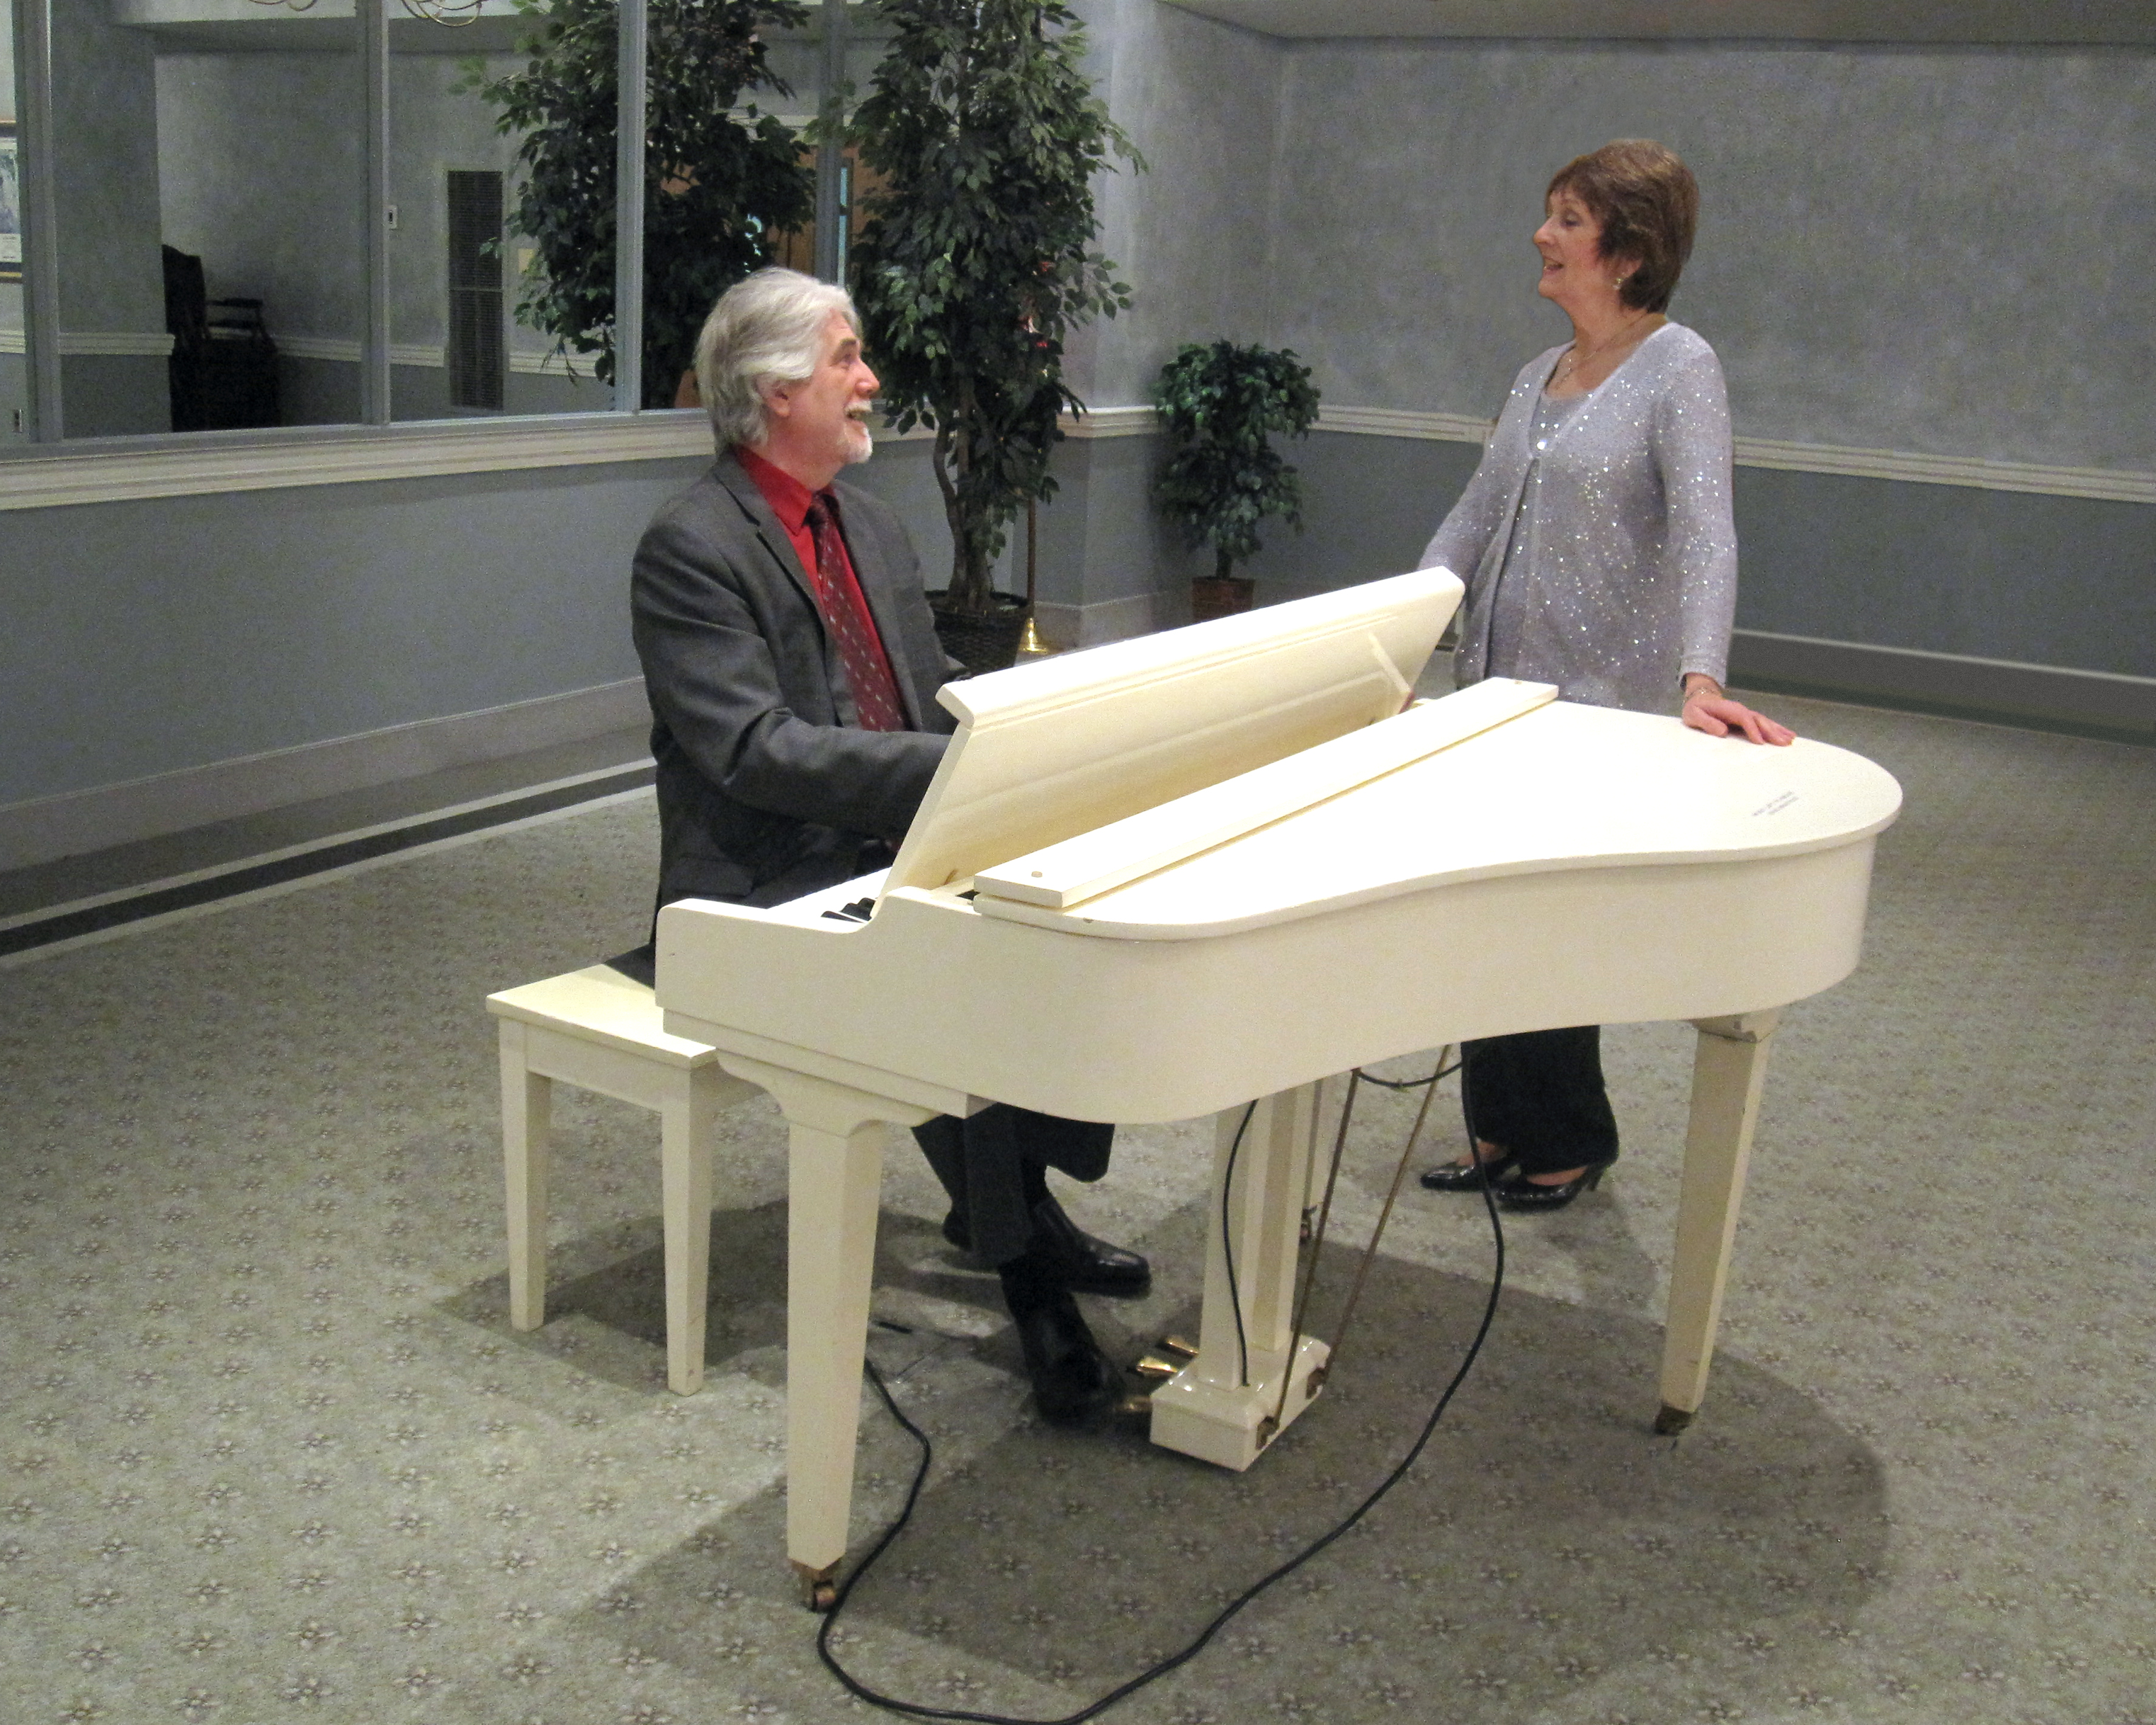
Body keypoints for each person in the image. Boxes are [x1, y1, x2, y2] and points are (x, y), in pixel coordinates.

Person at [618, 266, 1144, 1424]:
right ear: (774, 388)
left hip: (887, 840)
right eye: (847, 359)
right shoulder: (690, 547)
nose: (870, 381)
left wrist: (1020, 734)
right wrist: (954, 774)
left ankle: (1017, 1202)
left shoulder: (869, 520)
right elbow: (756, 752)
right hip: (763, 873)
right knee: (946, 965)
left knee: (1057, 918)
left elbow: (923, 690)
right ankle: (1028, 1275)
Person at [1415, 140, 1794, 1211]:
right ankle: (1498, 1126)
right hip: (1493, 694)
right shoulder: (1538, 374)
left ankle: (1570, 1138)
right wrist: (1391, 639)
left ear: (1627, 252)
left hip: (1597, 704)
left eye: (1567, 220)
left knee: (1550, 928)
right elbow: (1472, 518)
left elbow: (1707, 537)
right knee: (1484, 911)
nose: (1542, 235)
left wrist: (1701, 675)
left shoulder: (1682, 367)